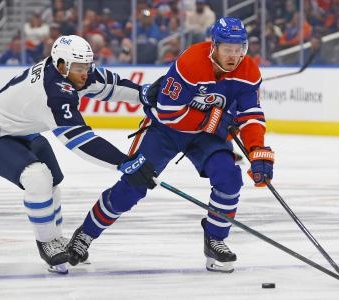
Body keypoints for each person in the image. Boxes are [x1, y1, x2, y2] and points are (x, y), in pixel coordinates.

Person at [67, 17, 275, 273]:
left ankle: (215, 239)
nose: (234, 56)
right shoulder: (190, 63)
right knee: (133, 185)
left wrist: (257, 151)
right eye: (227, 49)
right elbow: (168, 112)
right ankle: (85, 234)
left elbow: (251, 114)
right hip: (166, 131)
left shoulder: (248, 72)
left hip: (204, 137)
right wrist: (213, 120)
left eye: (239, 49)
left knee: (229, 177)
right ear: (215, 46)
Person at [0, 35, 157, 274]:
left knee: (52, 182)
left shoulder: (69, 71)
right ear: (60, 65)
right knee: (37, 178)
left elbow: (108, 86)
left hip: (20, 131)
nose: (85, 73)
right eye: (79, 68)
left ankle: (56, 238)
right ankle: (46, 242)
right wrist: (123, 162)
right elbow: (80, 140)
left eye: (87, 66)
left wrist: (142, 93)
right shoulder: (54, 92)